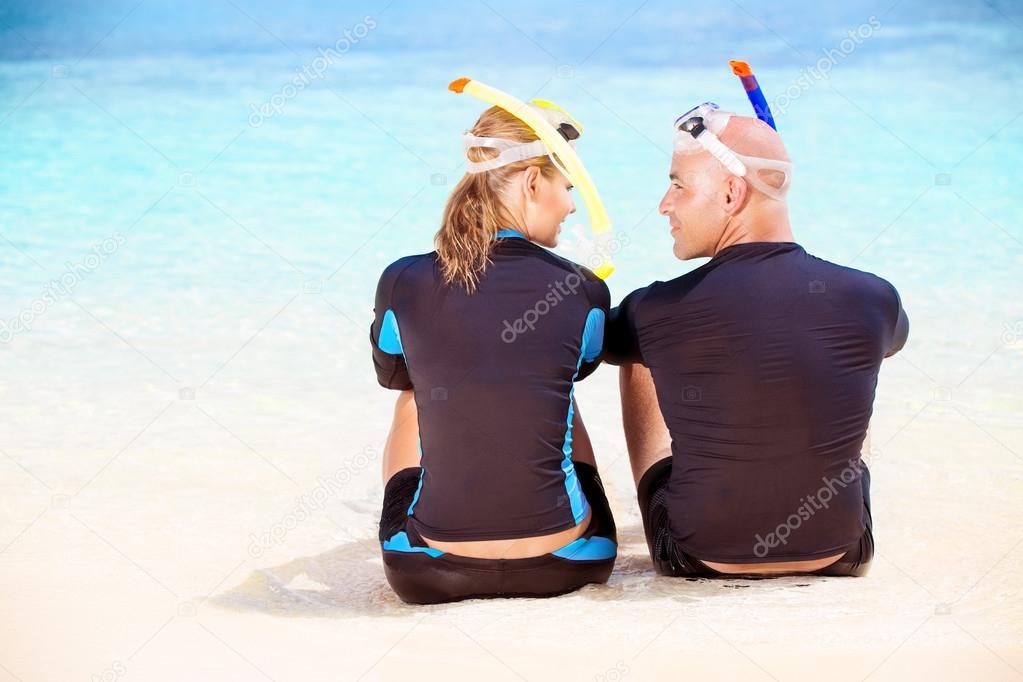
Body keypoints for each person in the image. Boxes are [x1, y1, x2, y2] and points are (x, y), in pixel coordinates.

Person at [606, 103, 909, 577]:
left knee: (640, 351)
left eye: (678, 185)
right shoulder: (874, 296)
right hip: (842, 552)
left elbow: (577, 348)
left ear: (731, 192)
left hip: (699, 558)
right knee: (853, 350)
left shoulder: (657, 308)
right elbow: (888, 343)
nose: (664, 204)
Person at [370, 102, 617, 604]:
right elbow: (583, 363)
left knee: (418, 390)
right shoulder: (584, 289)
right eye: (566, 188)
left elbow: (394, 373)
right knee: (555, 392)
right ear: (532, 182)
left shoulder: (403, 280)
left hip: (426, 574)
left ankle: (447, 525)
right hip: (565, 566)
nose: (570, 206)